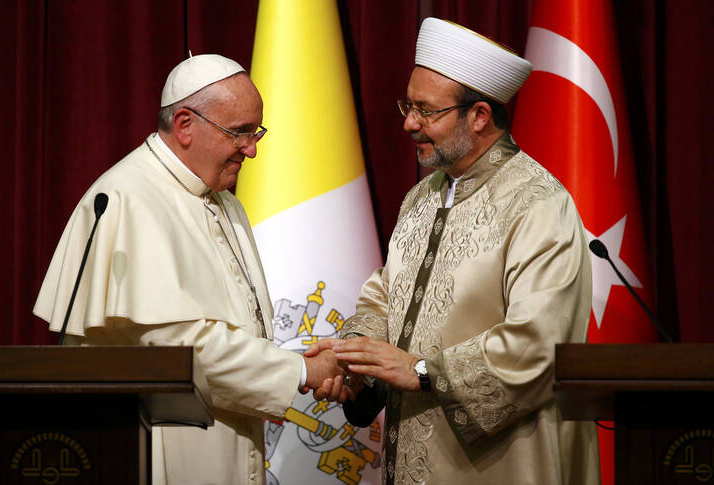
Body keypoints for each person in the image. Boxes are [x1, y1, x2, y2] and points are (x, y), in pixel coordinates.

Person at [308, 17, 600, 485]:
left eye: (426, 110)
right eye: (408, 104)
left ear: (479, 115)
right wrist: (353, 360)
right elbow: (385, 297)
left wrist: (422, 370)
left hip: (501, 461)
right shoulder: (422, 197)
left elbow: (538, 344)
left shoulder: (539, 203)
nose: (408, 123)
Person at [34, 54, 345, 485]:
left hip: (228, 431)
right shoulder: (130, 198)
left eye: (256, 133)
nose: (252, 149)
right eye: (239, 133)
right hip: (162, 445)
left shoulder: (222, 199)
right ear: (184, 124)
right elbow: (180, 348)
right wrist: (301, 370)